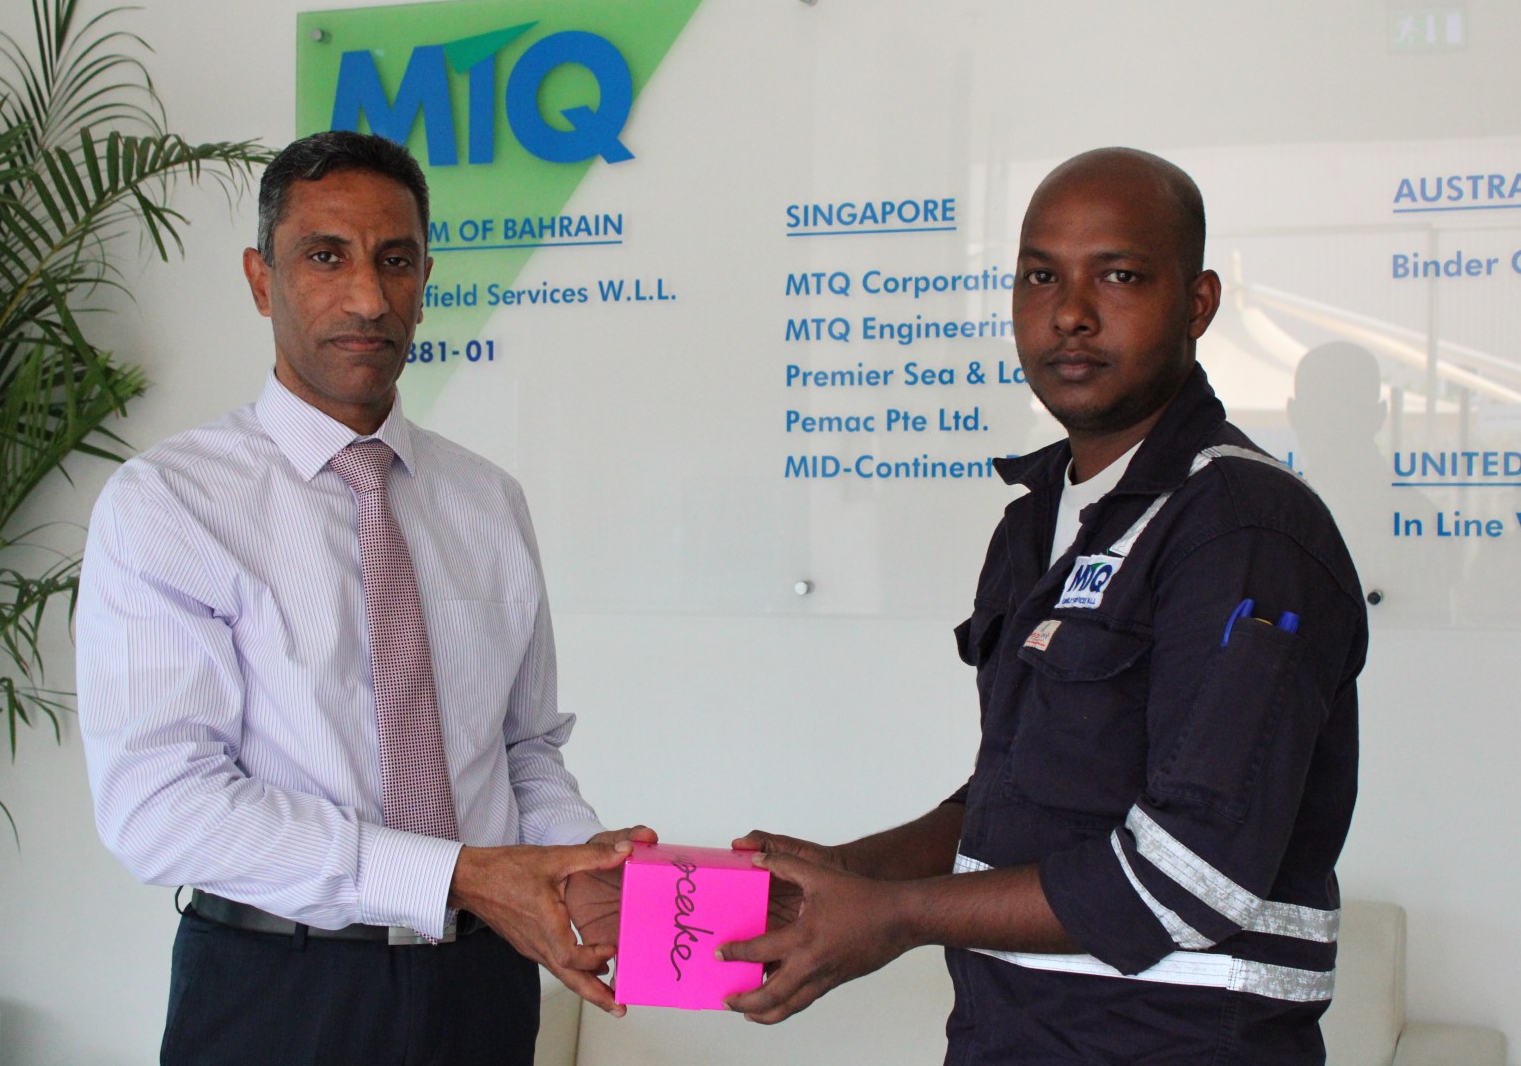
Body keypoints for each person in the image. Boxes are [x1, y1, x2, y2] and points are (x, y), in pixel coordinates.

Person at [722, 148, 1366, 1064]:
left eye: (1119, 275)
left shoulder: (1243, 527)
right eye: (1040, 276)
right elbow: (1020, 801)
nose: (1070, 313)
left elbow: (1189, 878)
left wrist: (894, 915)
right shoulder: (1037, 522)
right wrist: (846, 872)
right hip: (1013, 1037)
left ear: (1197, 303)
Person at [76, 131, 652, 1066]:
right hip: (278, 990)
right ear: (262, 281)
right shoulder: (171, 503)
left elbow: (524, 750)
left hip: (483, 984)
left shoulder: (487, 501)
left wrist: (578, 864)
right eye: (325, 257)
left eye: (395, 261)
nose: (368, 298)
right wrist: (459, 874)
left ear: (426, 279)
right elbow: (162, 807)